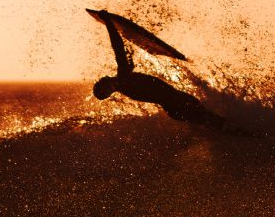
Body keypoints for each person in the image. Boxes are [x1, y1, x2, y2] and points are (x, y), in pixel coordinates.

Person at [92, 14, 227, 130]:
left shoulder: (125, 79)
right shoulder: (124, 78)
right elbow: (117, 47)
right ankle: (240, 130)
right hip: (177, 104)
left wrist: (128, 40)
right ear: (109, 90)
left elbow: (125, 56)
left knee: (212, 122)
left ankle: (236, 130)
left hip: (175, 106)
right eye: (102, 85)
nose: (102, 79)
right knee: (215, 121)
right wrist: (109, 23)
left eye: (99, 82)